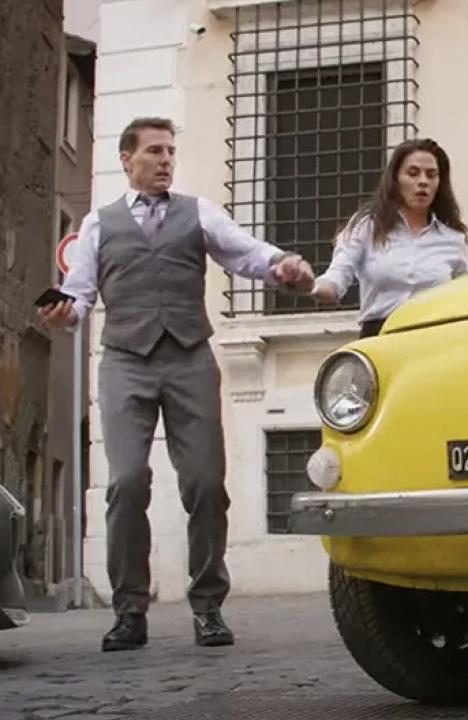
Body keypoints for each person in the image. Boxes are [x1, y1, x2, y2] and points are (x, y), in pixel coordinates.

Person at [38, 117, 315, 652]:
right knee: (127, 484)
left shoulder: (198, 212)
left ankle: (208, 605)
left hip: (189, 359)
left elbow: (243, 251)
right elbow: (79, 297)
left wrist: (282, 264)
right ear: (127, 159)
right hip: (125, 362)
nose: (166, 160)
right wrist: (62, 312)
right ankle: (129, 611)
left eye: (170, 152)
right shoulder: (100, 224)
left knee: (206, 486)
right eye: (155, 151)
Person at [311, 138, 468, 336]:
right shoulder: (367, 226)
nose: (423, 181)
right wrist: (320, 287)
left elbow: (466, 295)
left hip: (434, 338)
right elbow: (339, 272)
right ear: (395, 179)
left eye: (431, 175)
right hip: (380, 337)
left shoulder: (453, 239)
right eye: (413, 173)